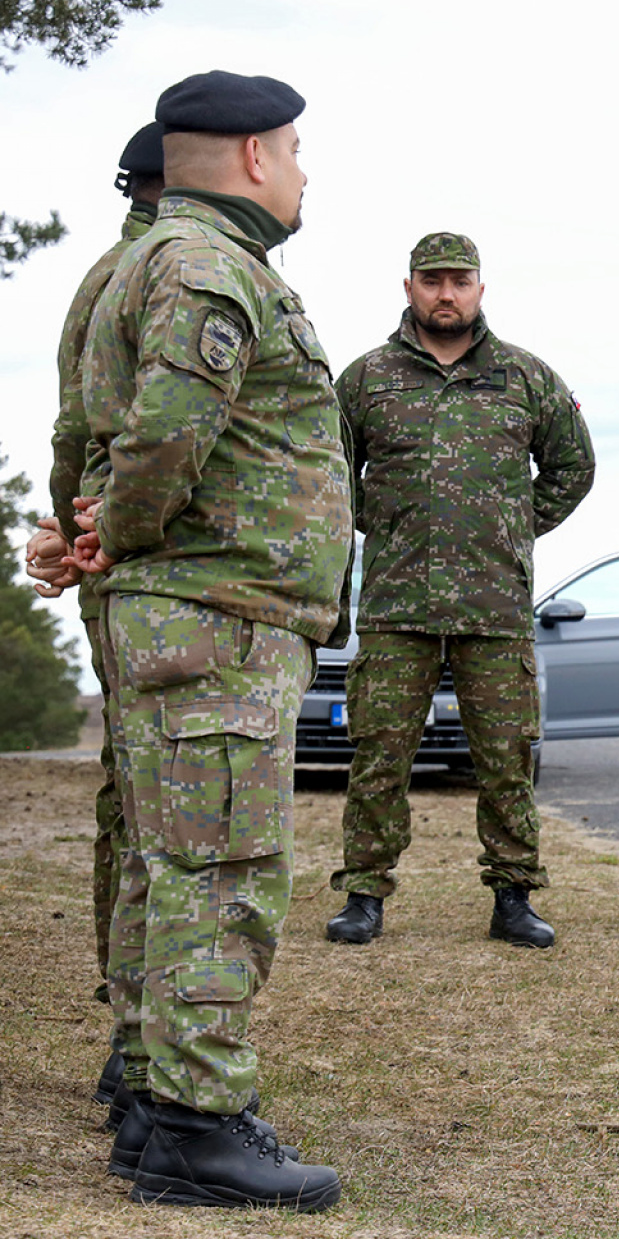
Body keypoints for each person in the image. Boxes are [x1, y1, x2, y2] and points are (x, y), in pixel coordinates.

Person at [66, 69, 348, 1210]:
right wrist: (121, 534)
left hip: (193, 609)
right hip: (218, 613)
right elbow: (163, 441)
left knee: (165, 855)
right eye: (292, 151)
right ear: (248, 159)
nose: (302, 171)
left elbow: (109, 438)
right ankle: (196, 1119)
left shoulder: (146, 263)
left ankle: (149, 1094)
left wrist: (102, 539)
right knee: (220, 866)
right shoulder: (208, 270)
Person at [323, 232, 594, 950]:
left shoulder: (525, 377)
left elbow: (573, 466)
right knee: (379, 754)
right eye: (433, 280)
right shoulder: (367, 378)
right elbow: (326, 469)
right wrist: (375, 519)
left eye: (460, 280)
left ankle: (514, 895)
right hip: (395, 605)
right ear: (409, 286)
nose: (447, 293)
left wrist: (513, 527)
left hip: (494, 605)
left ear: (481, 288)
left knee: (506, 757)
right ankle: (363, 893)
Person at [22, 119, 166, 1113]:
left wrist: (67, 533)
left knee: (133, 794)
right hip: (158, 574)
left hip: (120, 565)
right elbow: (106, 428)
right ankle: (143, 1039)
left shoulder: (110, 271)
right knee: (165, 803)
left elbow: (71, 428)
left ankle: (133, 1027)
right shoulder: (170, 273)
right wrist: (86, 537)